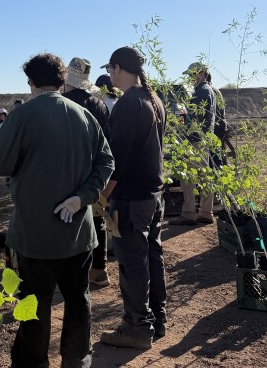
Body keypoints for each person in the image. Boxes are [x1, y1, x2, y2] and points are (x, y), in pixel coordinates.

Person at [0, 53, 115, 368]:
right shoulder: (84, 115)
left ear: (31, 82)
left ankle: (33, 364)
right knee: (78, 300)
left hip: (34, 236)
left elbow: (0, 165)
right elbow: (106, 162)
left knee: (34, 305)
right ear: (62, 81)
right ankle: (77, 360)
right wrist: (82, 197)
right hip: (79, 233)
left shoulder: (21, 116)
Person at [99, 46, 167, 350]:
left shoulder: (128, 103)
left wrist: (102, 197)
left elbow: (117, 159)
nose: (110, 75)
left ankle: (136, 327)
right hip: (153, 195)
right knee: (152, 256)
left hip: (130, 198)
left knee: (131, 263)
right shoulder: (154, 99)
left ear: (117, 69)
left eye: (110, 70)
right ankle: (157, 320)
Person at [61, 57, 112, 289]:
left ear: (66, 80)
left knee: (68, 220)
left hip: (68, 176)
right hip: (95, 176)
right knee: (97, 221)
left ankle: (73, 275)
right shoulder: (98, 104)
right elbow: (108, 145)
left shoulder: (62, 105)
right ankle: (99, 271)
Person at [170, 62, 217, 226]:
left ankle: (189, 213)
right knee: (204, 177)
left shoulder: (201, 91)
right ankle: (206, 212)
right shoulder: (208, 90)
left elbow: (193, 120)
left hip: (194, 140)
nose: (191, 77)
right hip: (202, 140)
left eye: (193, 74)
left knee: (188, 178)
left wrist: (181, 123)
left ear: (202, 73)